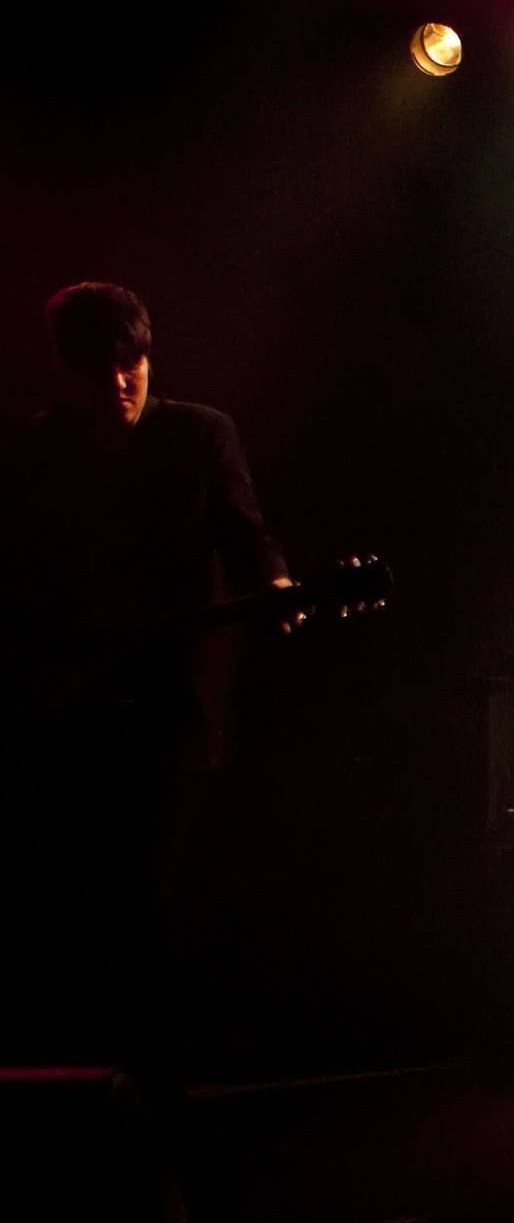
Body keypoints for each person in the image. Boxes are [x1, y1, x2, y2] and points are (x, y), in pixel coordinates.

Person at [3, 281, 291, 1081]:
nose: (121, 381)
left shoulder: (199, 433)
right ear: (67, 370)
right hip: (72, 710)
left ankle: (160, 1063)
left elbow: (247, 535)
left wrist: (274, 587)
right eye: (101, 368)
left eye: (132, 362)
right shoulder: (38, 452)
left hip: (178, 705)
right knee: (87, 886)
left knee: (161, 878)